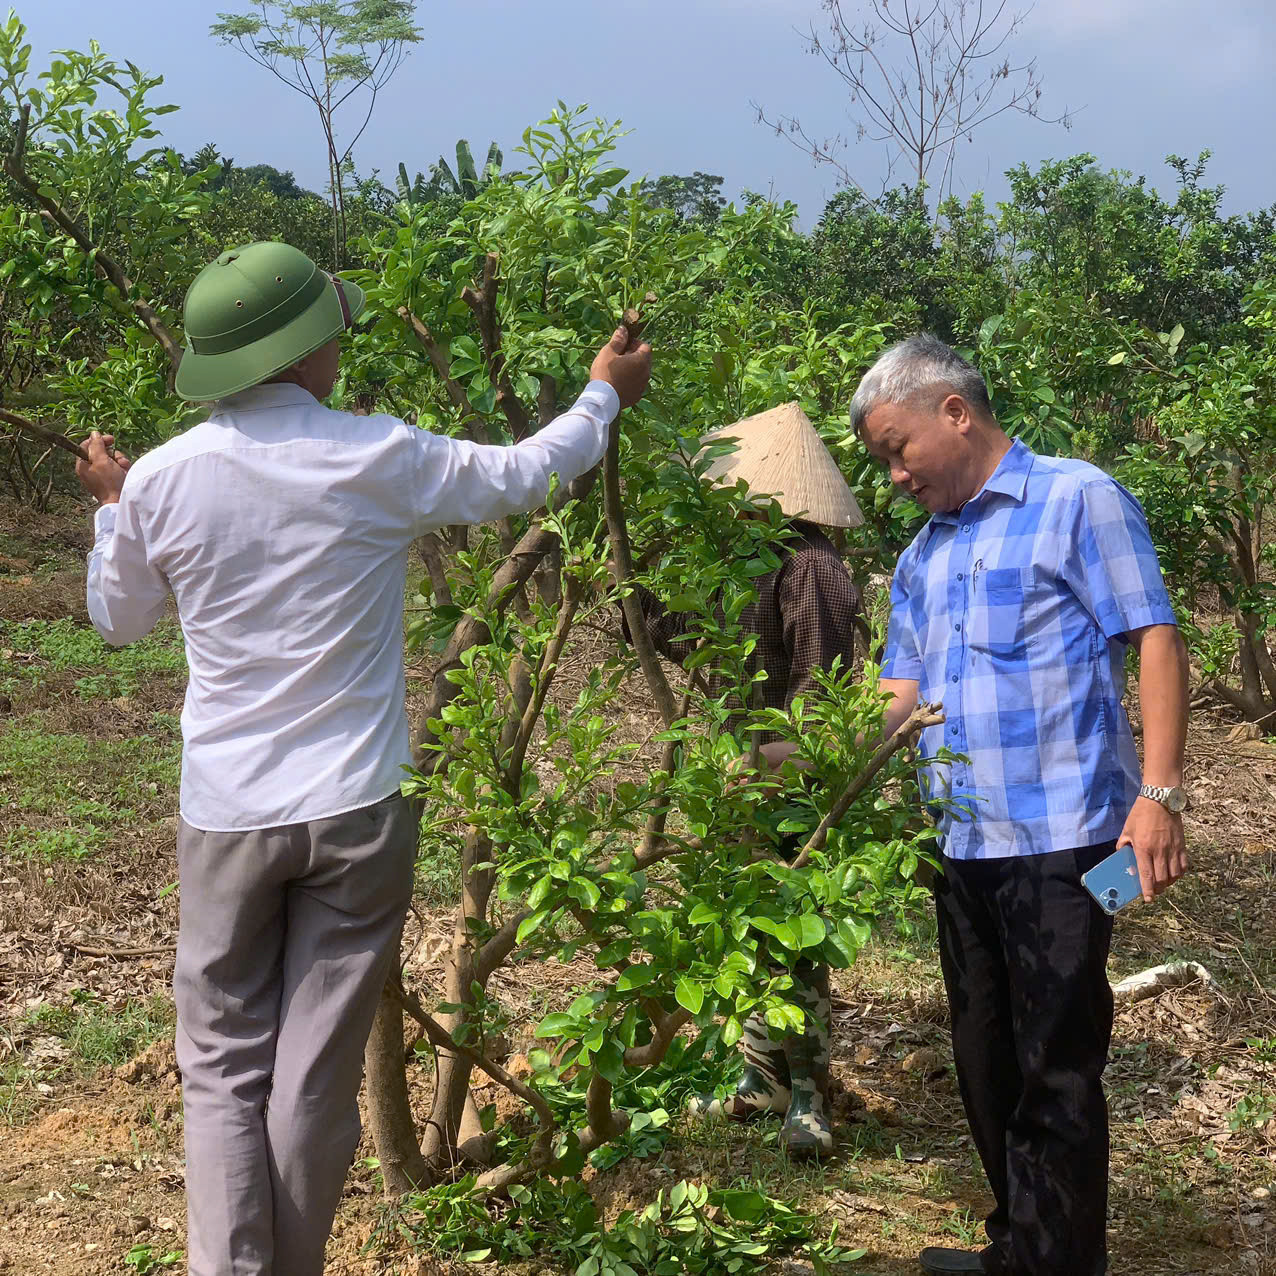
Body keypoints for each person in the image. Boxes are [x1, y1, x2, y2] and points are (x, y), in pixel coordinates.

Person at [73, 240, 652, 1276]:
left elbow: (117, 619)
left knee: (218, 1062)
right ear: (304, 352)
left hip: (228, 811)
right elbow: (527, 475)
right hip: (358, 804)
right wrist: (600, 396)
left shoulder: (163, 477)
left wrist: (117, 507)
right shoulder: (378, 454)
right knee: (311, 1070)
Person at [851, 335, 1189, 1275]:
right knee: (984, 1058)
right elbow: (901, 695)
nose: (893, 476)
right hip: (961, 844)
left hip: (1071, 844)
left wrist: (1158, 796)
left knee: (1059, 1063)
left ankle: (1062, 1263)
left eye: (896, 448)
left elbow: (1153, 638)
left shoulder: (1078, 499)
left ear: (954, 411)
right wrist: (815, 766)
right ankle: (1019, 1245)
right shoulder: (922, 558)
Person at [619, 401, 863, 1157]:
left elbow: (817, 696)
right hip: (744, 770)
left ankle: (810, 1094)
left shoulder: (811, 566)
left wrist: (764, 771)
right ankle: (762, 1076)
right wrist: (643, 599)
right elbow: (715, 657)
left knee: (794, 937)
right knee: (753, 927)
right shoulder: (751, 561)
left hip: (790, 779)